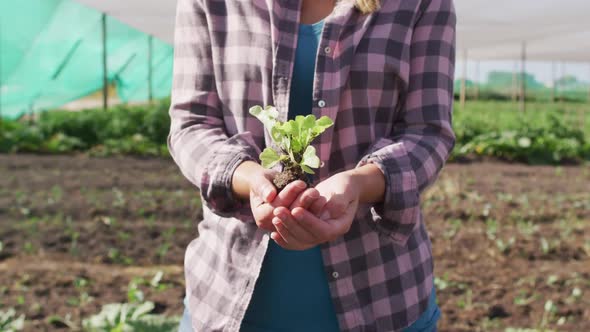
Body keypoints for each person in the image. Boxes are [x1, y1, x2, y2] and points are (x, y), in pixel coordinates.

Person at [168, 0, 456, 331]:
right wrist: (246, 177)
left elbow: (428, 132)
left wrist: (360, 184)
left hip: (382, 296)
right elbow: (192, 124)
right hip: (227, 298)